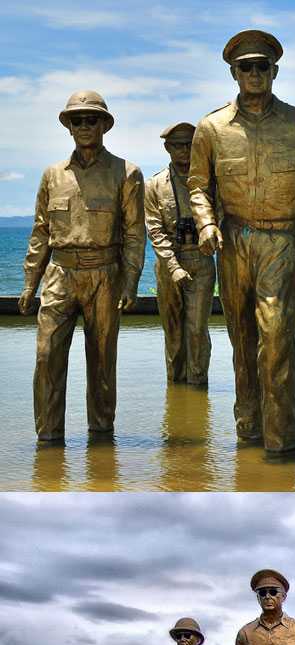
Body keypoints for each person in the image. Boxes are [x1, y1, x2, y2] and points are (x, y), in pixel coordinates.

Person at [189, 29, 295, 453]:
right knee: (242, 345)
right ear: (234, 73)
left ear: (275, 70)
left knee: (276, 342)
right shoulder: (211, 128)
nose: (254, 73)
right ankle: (248, 435)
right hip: (233, 241)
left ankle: (280, 446)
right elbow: (198, 186)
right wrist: (205, 223)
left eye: (262, 66)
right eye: (245, 67)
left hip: (282, 241)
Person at [19, 90, 144, 442]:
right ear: (68, 127)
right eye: (78, 120)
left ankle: (102, 441)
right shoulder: (52, 175)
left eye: (92, 119)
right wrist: (30, 283)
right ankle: (48, 440)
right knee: (46, 357)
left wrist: (131, 282)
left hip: (105, 274)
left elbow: (135, 234)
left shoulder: (127, 173)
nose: (85, 126)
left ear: (104, 124)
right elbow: (40, 231)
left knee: (102, 363)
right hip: (59, 275)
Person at [145, 122, 216, 385]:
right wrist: (173, 267)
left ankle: (198, 386)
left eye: (189, 144)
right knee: (173, 332)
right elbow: (154, 230)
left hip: (201, 259)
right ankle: (176, 389)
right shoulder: (154, 185)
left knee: (197, 329)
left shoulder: (211, 181)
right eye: (177, 145)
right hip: (168, 262)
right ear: (167, 148)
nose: (184, 150)